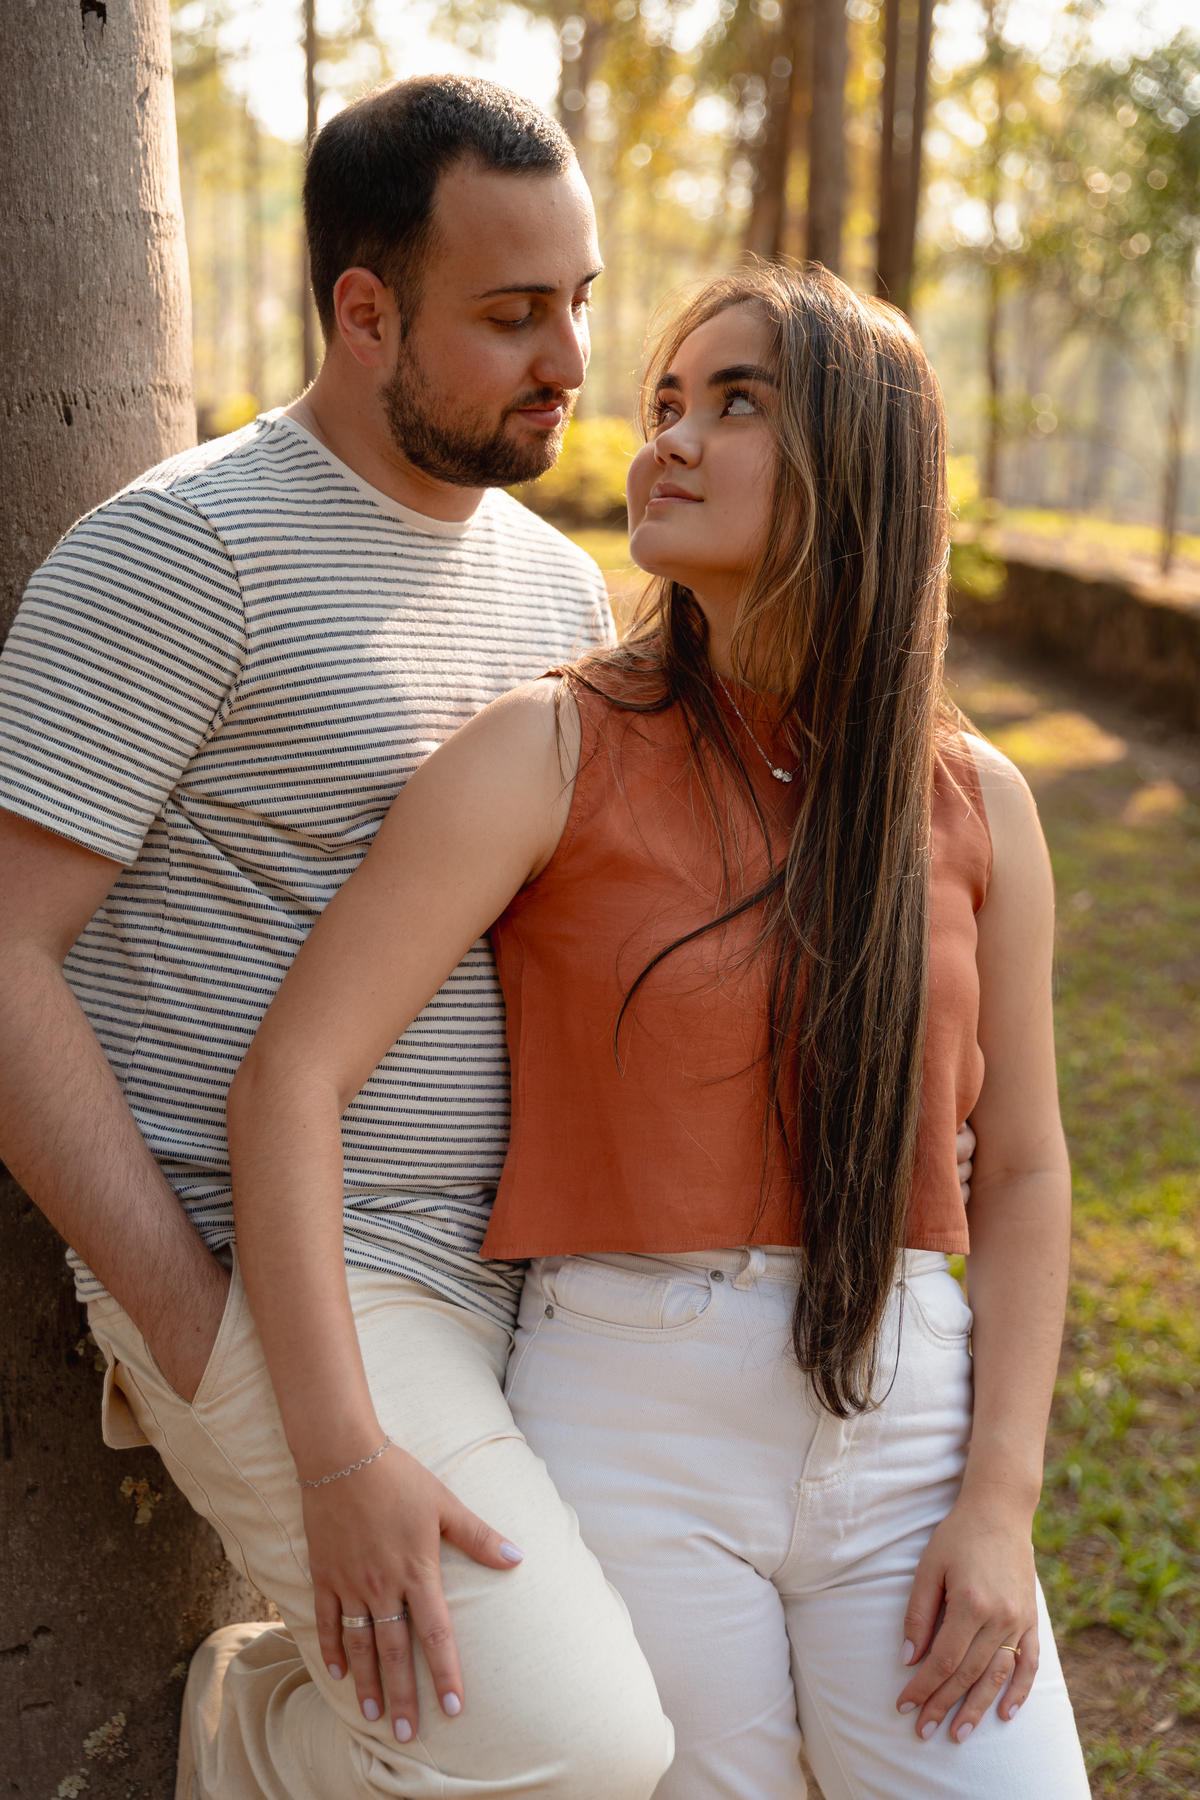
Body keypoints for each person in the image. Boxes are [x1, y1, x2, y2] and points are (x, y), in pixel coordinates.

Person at [228, 263, 1090, 1800]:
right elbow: (291, 1079)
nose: (668, 441)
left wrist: (999, 1503)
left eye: (735, 402)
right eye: (666, 405)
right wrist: (339, 1452)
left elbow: (1019, 1167)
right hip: (632, 1414)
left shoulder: (978, 804)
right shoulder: (548, 748)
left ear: (864, 456)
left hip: (910, 1413)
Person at [0, 76, 673, 1800]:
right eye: (513, 314)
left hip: (533, 1284)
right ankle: (243, 1741)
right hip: (298, 1282)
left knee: (711, 1709)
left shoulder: (556, 588)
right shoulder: (181, 553)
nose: (572, 358)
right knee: (573, 1749)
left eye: (581, 301)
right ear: (362, 312)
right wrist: (193, 1324)